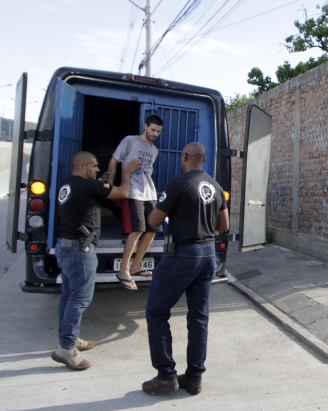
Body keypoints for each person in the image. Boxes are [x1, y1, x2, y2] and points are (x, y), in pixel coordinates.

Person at [141, 142, 229, 396]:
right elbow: (223, 225)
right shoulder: (216, 187)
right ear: (204, 159)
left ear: (186, 157)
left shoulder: (177, 183)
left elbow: (154, 221)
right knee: (198, 316)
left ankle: (166, 375)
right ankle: (194, 377)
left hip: (183, 254)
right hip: (207, 254)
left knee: (157, 312)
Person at [52, 151, 140, 371]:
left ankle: (69, 339)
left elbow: (87, 198)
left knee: (68, 296)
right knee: (80, 299)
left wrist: (100, 183)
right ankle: (67, 348)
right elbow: (123, 192)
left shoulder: (68, 185)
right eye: (93, 166)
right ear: (82, 167)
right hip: (79, 250)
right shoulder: (88, 186)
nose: (97, 169)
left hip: (65, 246)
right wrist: (126, 173)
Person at [103, 115, 164, 291]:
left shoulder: (154, 150)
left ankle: (136, 266)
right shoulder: (130, 141)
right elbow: (115, 160)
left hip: (149, 192)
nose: (155, 134)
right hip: (132, 192)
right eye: (153, 130)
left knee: (152, 230)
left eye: (158, 132)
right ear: (145, 126)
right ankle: (123, 271)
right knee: (136, 229)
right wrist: (112, 184)